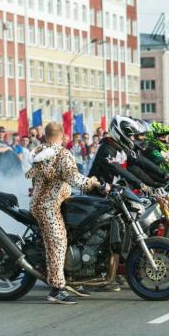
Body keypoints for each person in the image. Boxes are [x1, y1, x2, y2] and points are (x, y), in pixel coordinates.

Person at [26, 122, 108, 304]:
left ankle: (70, 277)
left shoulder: (39, 151)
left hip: (50, 203)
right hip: (48, 206)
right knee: (58, 241)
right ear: (63, 136)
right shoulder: (62, 154)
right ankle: (56, 290)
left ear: (45, 136)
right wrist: (94, 183)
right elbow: (73, 177)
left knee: (72, 236)